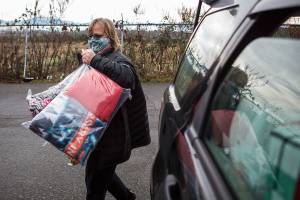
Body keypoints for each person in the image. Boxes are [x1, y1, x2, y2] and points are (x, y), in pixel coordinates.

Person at [81, 18, 151, 200]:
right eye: (90, 36)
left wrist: (94, 60)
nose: (93, 40)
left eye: (97, 36)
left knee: (95, 183)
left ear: (110, 37)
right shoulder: (99, 60)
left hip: (115, 135)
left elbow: (127, 78)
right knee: (101, 173)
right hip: (100, 131)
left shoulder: (118, 59)